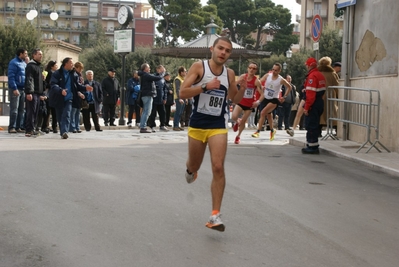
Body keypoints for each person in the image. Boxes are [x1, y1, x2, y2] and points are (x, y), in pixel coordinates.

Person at [179, 37, 246, 232]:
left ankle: (214, 215)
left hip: (218, 125)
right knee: (194, 165)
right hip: (198, 125)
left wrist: (244, 87)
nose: (223, 52)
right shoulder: (199, 67)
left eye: (227, 50)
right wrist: (204, 87)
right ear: (212, 49)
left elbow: (235, 98)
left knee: (218, 167)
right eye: (220, 48)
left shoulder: (230, 73)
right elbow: (182, 93)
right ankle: (191, 169)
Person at [50, 57, 93, 139]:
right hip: (59, 98)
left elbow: (77, 85)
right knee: (60, 116)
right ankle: (63, 131)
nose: (72, 64)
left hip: (69, 98)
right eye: (71, 63)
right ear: (65, 64)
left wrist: (85, 87)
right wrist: (60, 90)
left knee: (67, 115)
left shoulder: (73, 74)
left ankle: (64, 132)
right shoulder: (57, 73)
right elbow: (53, 84)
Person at [251, 63, 292, 140]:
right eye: (273, 69)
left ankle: (258, 132)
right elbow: (259, 82)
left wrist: (284, 97)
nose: (274, 71)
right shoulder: (268, 76)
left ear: (279, 71)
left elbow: (289, 87)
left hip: (274, 100)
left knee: (263, 112)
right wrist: (260, 88)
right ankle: (272, 130)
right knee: (268, 115)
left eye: (276, 70)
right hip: (265, 98)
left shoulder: (281, 79)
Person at [231, 62, 263, 144]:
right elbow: (233, 85)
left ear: (256, 71)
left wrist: (258, 102)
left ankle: (238, 136)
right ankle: (237, 122)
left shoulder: (256, 81)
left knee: (244, 120)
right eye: (250, 68)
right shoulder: (242, 76)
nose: (251, 70)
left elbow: (263, 94)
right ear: (247, 68)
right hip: (240, 101)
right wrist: (238, 83)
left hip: (249, 104)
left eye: (254, 68)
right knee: (234, 116)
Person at [302, 57, 326, 154]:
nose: (306, 67)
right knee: (315, 124)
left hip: (313, 104)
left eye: (307, 65)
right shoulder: (320, 75)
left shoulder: (312, 77)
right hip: (319, 102)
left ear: (310, 65)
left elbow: (311, 95)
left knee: (311, 125)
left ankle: (312, 146)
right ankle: (312, 145)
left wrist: (307, 108)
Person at [137, 63, 164, 133]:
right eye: (148, 67)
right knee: (147, 111)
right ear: (145, 68)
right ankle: (142, 127)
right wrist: (162, 73)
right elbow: (157, 78)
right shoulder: (146, 75)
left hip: (145, 94)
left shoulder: (143, 75)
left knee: (145, 111)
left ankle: (143, 126)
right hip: (147, 95)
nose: (150, 69)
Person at [24, 48, 45, 137]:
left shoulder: (38, 66)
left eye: (41, 54)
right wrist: (29, 92)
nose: (41, 56)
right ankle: (29, 129)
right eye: (39, 54)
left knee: (36, 112)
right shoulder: (31, 66)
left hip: (37, 93)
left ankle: (33, 128)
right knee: (31, 112)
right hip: (32, 93)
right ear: (34, 55)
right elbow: (29, 79)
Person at [8, 47, 27, 133]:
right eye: (25, 54)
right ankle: (12, 127)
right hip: (15, 89)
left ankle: (19, 126)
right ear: (21, 54)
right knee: (14, 109)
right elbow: (11, 76)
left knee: (21, 110)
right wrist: (14, 88)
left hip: (23, 89)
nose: (26, 55)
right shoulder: (13, 63)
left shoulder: (24, 63)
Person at [318, 57, 339, 136]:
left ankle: (318, 132)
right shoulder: (332, 73)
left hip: (320, 95)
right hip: (330, 95)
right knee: (333, 112)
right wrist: (338, 95)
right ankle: (337, 129)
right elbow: (336, 85)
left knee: (320, 114)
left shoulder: (318, 73)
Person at [148, 65, 168, 132]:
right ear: (158, 69)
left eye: (163, 70)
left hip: (161, 99)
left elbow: (165, 89)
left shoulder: (163, 79)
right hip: (154, 98)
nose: (163, 71)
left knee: (162, 112)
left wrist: (165, 98)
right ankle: (152, 126)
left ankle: (162, 125)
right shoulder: (153, 77)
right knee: (153, 113)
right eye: (162, 70)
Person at [69, 61, 85, 133]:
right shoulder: (74, 75)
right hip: (75, 95)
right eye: (80, 68)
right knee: (73, 112)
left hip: (79, 96)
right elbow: (76, 86)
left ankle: (77, 126)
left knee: (78, 112)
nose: (81, 70)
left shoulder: (80, 75)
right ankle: (73, 127)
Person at [44, 60, 59, 133]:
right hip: (50, 94)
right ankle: (50, 126)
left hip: (53, 94)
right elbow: (47, 84)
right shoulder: (50, 73)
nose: (57, 67)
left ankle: (52, 126)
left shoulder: (55, 73)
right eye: (56, 65)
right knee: (50, 111)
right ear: (52, 66)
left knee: (52, 112)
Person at [172, 66, 187, 131]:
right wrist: (180, 98)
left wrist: (185, 98)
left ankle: (177, 125)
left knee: (181, 112)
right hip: (179, 98)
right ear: (181, 72)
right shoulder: (177, 79)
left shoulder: (183, 79)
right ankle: (175, 126)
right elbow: (178, 89)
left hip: (183, 97)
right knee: (178, 112)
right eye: (184, 71)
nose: (186, 72)